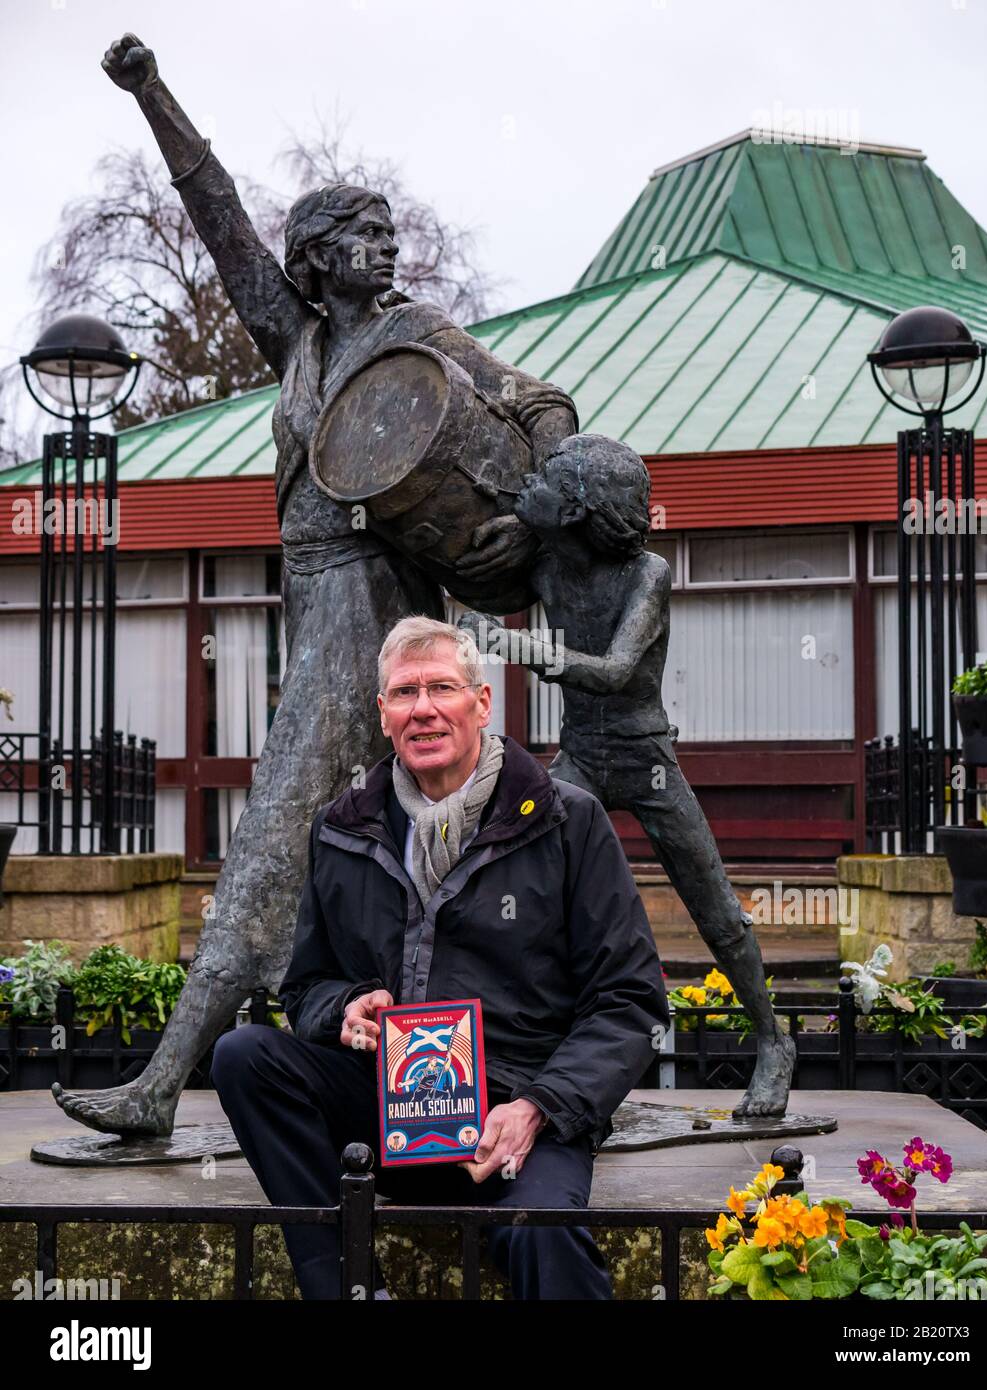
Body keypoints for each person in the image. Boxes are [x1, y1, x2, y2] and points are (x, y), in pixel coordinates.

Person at [53, 33, 577, 1138]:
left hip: (371, 600)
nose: (386, 248)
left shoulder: (415, 334)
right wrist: (153, 94)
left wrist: (560, 465)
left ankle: (161, 1084)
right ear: (317, 258)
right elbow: (215, 213)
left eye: (390, 233)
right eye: (364, 235)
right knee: (339, 840)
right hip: (316, 597)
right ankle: (407, 1072)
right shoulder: (291, 335)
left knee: (269, 834)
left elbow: (534, 397)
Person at [211, 615, 670, 1300]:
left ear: (481, 703)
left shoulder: (568, 821)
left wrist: (540, 1107)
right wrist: (344, 1006)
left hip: (516, 1113)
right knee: (243, 1055)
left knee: (542, 1232)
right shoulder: (341, 827)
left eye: (441, 689)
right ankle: (348, 1289)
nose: (423, 709)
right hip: (385, 1105)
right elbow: (304, 985)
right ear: (383, 714)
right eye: (403, 694)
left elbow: (628, 1002)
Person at [458, 434, 796, 1116]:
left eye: (548, 480)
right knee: (520, 898)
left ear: (579, 506)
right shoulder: (543, 558)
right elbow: (465, 549)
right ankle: (532, 1055)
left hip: (647, 762)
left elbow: (614, 672)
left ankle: (773, 1042)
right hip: (579, 755)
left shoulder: (649, 574)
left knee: (716, 908)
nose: (533, 487)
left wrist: (511, 643)